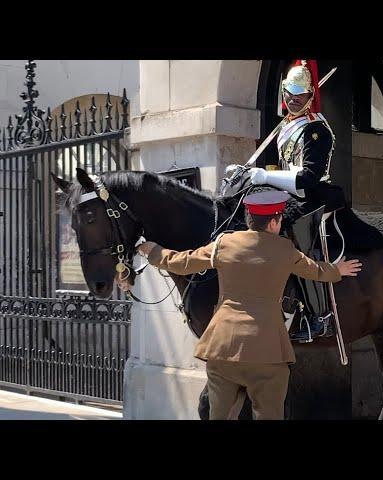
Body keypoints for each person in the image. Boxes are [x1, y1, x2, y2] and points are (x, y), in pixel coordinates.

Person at [135, 191, 361, 420]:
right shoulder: (285, 249)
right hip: (267, 352)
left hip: (222, 349)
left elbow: (182, 262)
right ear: (273, 222)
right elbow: (316, 271)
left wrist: (153, 251)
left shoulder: (224, 243)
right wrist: (338, 271)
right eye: (280, 219)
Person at [249, 60, 346, 341]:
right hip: (289, 194)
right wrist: (252, 175)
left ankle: (318, 315)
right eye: (289, 93)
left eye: (300, 94)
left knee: (298, 238)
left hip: (313, 196)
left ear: (310, 97)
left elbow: (305, 179)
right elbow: (284, 170)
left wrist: (265, 177)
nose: (293, 99)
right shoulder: (286, 127)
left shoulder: (316, 130)